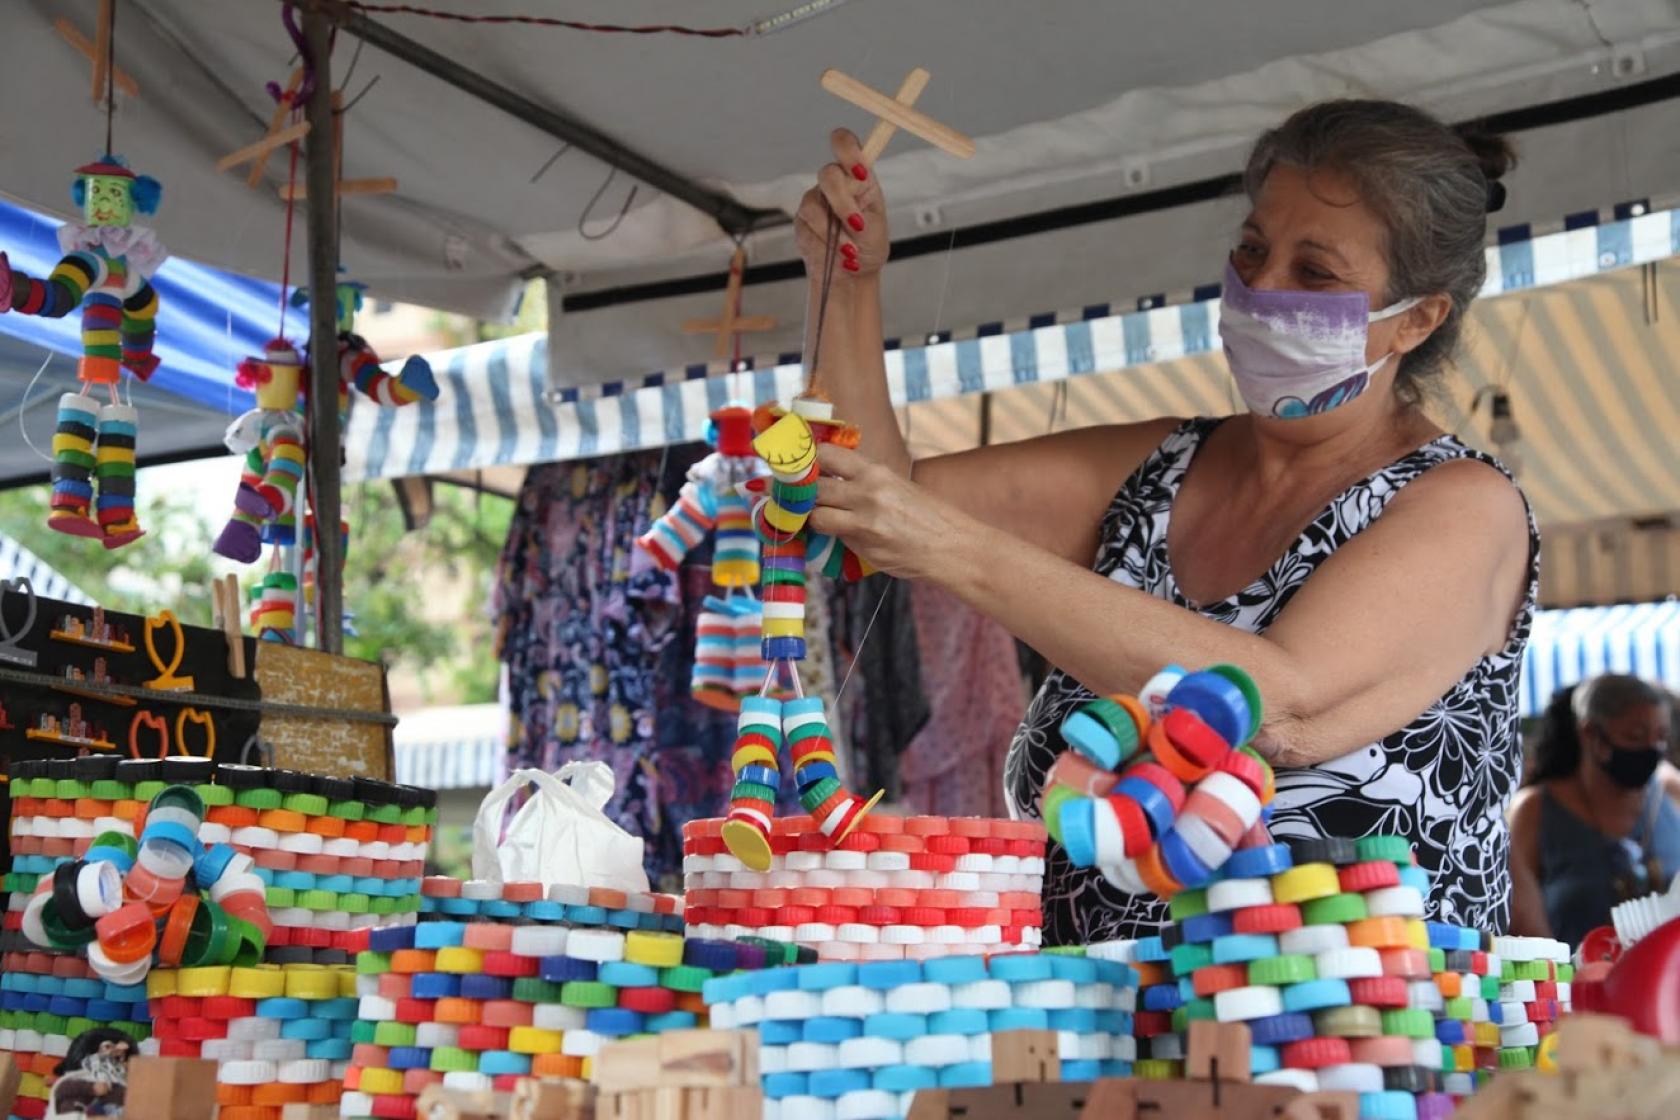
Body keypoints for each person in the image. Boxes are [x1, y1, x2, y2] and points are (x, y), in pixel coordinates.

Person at [793, 100, 1538, 944]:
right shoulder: (1157, 468)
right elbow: (874, 497)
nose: (1262, 287)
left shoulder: (1462, 506)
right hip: (1094, 1048)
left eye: (1315, 272)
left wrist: (950, 551)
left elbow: (1274, 706)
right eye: (1252, 250)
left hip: (1345, 1050)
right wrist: (846, 286)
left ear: (1418, 318)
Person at [1508, 676, 1680, 946]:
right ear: (1590, 734)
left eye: (1661, 737)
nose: (1651, 749)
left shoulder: (1668, 790)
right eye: (1634, 736)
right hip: (1579, 983)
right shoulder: (1535, 810)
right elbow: (1523, 918)